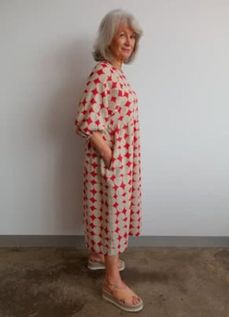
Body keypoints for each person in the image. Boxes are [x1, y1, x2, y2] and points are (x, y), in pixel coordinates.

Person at [74, 8, 144, 312]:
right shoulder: (102, 72)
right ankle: (112, 282)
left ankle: (99, 257)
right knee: (112, 217)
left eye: (132, 36)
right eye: (122, 35)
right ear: (108, 39)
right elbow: (85, 121)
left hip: (121, 160)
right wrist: (112, 157)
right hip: (111, 162)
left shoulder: (117, 72)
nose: (128, 41)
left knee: (107, 213)